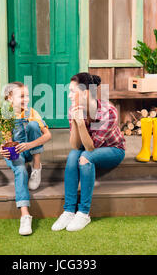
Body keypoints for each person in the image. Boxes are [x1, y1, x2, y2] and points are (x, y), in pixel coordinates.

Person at [52, 73, 126, 232]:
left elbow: (90, 148)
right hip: (89, 147)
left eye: (73, 91)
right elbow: (74, 145)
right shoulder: (73, 109)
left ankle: (84, 213)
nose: (69, 95)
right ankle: (69, 210)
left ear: (85, 93)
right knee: (72, 156)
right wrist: (75, 119)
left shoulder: (108, 111)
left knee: (85, 157)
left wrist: (80, 123)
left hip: (113, 150)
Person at [0, 82, 52, 236]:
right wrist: (2, 149)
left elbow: (48, 135)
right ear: (10, 98)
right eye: (22, 96)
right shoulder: (6, 114)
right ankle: (25, 215)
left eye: (27, 95)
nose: (26, 99)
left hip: (29, 150)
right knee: (21, 170)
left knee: (34, 126)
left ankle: (36, 167)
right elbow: (4, 141)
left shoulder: (31, 112)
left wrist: (29, 145)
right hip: (15, 152)